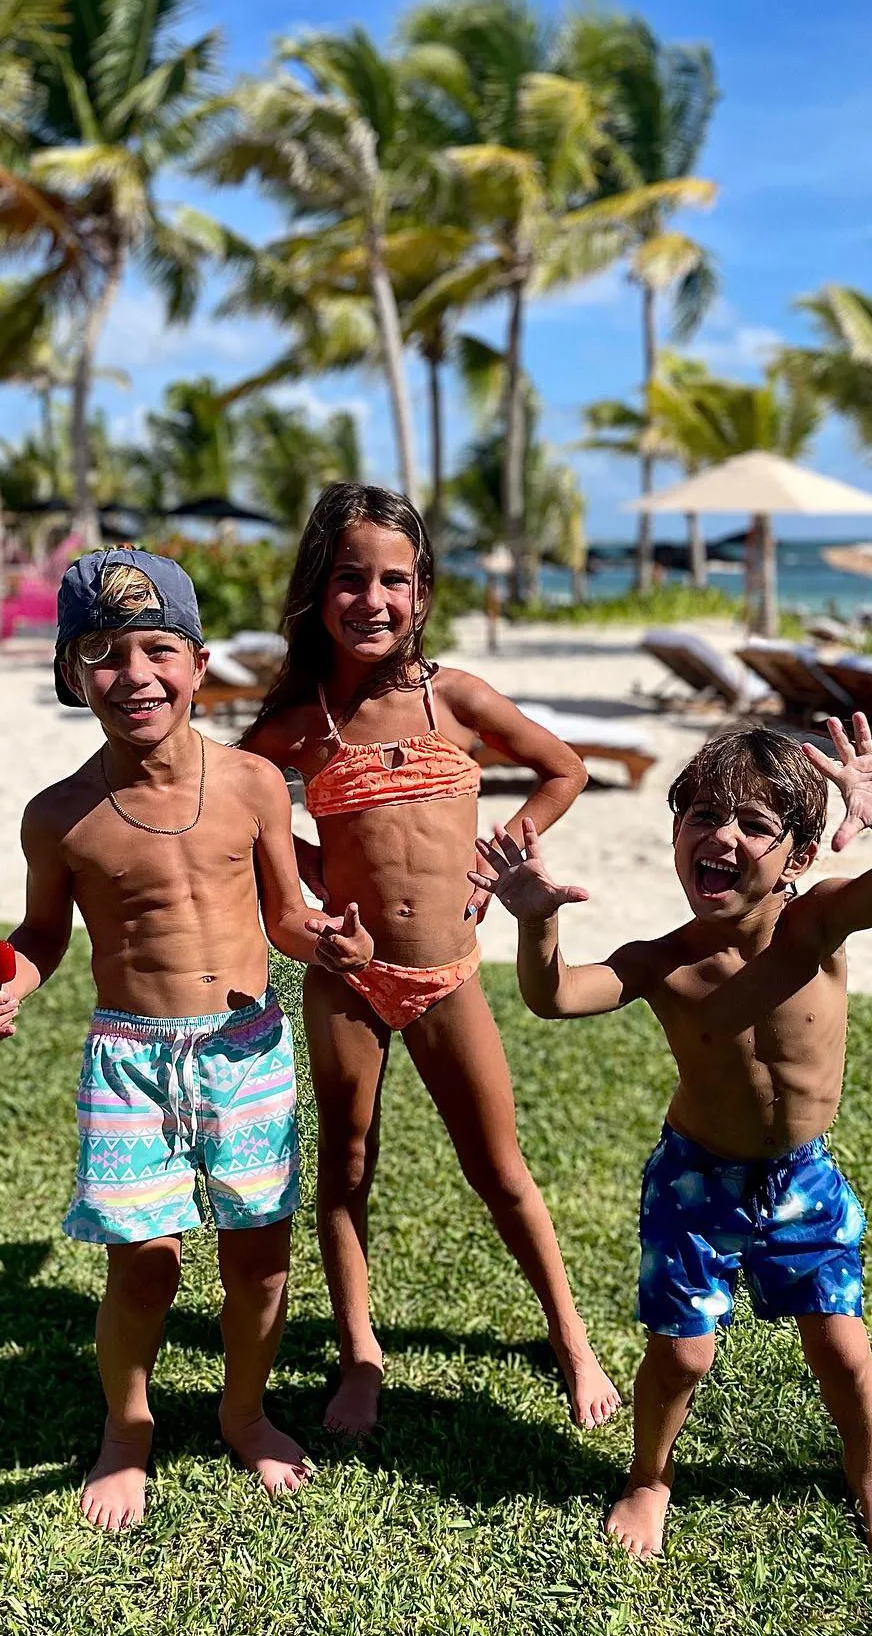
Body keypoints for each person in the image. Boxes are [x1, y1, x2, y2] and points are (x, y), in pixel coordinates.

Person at [0, 548, 373, 1531]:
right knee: (145, 1262)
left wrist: (329, 939)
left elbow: (286, 915)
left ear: (197, 662)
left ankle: (242, 1411)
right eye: (101, 653)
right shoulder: (60, 816)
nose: (133, 674)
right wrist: (8, 980)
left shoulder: (254, 783)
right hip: (131, 1060)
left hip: (243, 1048)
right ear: (71, 674)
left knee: (259, 1260)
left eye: (157, 649)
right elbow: (43, 934)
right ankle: (129, 1427)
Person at [473, 717, 872, 1559]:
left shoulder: (817, 925)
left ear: (799, 858)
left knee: (842, 1349)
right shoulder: (663, 960)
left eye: (754, 824)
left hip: (802, 1178)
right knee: (683, 1355)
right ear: (676, 834)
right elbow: (556, 997)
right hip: (695, 1180)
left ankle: (871, 1474)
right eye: (702, 815)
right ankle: (648, 1479)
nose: (722, 836)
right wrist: (537, 923)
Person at [241, 482, 620, 1440]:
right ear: (317, 589)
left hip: (447, 971)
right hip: (347, 976)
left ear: (422, 591)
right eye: (349, 578)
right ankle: (360, 1352)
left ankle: (570, 1334)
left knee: (499, 1167)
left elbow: (565, 767)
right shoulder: (298, 722)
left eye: (394, 581)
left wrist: (504, 853)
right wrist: (310, 872)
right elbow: (238, 808)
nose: (372, 600)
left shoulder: (454, 698)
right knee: (346, 1164)